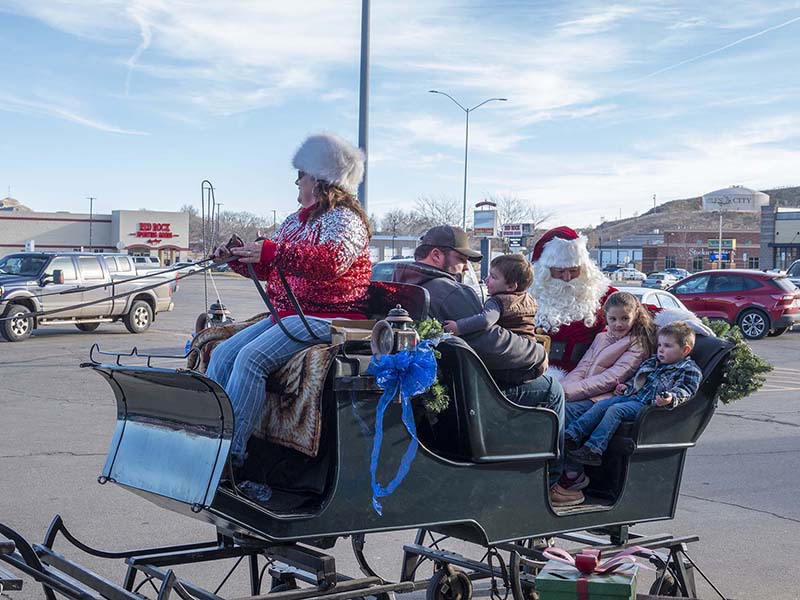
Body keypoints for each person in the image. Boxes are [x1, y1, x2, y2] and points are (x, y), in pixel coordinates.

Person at [207, 132, 372, 466]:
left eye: (301, 174)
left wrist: (271, 251)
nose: (296, 181)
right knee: (223, 354)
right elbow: (275, 267)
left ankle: (232, 453)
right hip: (290, 314)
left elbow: (331, 261)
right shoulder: (293, 222)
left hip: (330, 316)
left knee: (251, 359)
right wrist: (240, 259)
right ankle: (207, 433)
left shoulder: (345, 219)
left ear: (321, 179)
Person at [393, 226, 582, 506]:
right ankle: (551, 483)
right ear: (436, 255)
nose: (466, 266)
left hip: (441, 396)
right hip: (473, 399)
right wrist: (537, 354)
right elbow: (491, 346)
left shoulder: (405, 286)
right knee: (552, 388)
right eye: (461, 258)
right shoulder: (449, 292)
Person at [555, 291, 656, 496]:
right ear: (606, 318)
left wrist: (568, 393)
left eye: (624, 319)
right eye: (613, 319)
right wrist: (561, 389)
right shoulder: (602, 337)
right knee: (551, 407)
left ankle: (573, 474)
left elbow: (612, 378)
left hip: (607, 397)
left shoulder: (639, 343)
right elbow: (583, 368)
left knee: (565, 413)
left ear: (635, 316)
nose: (618, 324)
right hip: (585, 392)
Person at [565, 321, 703, 467]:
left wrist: (670, 397)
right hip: (634, 398)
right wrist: (625, 387)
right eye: (660, 345)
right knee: (602, 404)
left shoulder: (688, 369)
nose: (661, 350)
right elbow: (637, 380)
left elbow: (686, 390)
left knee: (616, 410)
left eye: (668, 346)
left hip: (649, 406)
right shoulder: (653, 362)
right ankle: (572, 435)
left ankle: (593, 449)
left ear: (685, 350)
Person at [529, 227, 615, 374]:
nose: (567, 278)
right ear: (544, 271)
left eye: (574, 270)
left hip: (586, 377)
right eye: (560, 271)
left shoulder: (602, 294)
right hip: (536, 376)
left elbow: (636, 308)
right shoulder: (528, 296)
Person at [443, 253, 537, 340]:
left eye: (493, 277)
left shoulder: (498, 301)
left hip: (507, 350)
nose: (486, 279)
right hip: (529, 346)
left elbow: (486, 320)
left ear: (511, 286)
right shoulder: (530, 299)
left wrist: (458, 327)